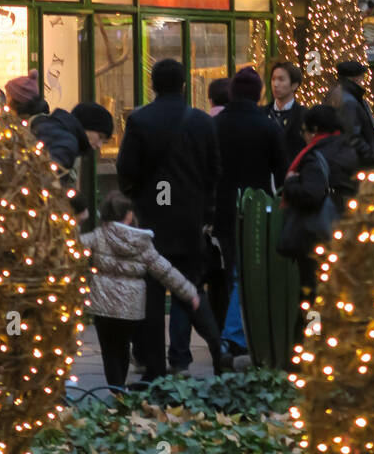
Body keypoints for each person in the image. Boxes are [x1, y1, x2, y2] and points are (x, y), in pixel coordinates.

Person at [116, 58, 222, 380]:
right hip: (188, 222)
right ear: (184, 85)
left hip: (152, 222)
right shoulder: (202, 122)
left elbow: (126, 171)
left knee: (148, 296)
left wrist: (142, 196)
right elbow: (214, 171)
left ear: (152, 86)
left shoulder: (139, 121)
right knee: (188, 289)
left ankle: (153, 366)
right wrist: (205, 211)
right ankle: (212, 353)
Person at [79, 192, 202, 390]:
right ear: (128, 215)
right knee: (122, 347)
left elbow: (71, 247)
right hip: (130, 307)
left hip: (103, 305)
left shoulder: (97, 236)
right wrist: (189, 292)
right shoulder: (142, 242)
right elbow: (165, 271)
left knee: (109, 350)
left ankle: (116, 387)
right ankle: (120, 389)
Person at [212, 65, 288, 336]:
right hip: (255, 205)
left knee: (227, 269)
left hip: (221, 205)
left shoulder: (215, 125)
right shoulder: (267, 126)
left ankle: (226, 331)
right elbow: (281, 173)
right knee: (248, 269)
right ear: (257, 94)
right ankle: (237, 332)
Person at [279, 103, 357, 316]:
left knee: (312, 294)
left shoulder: (315, 156)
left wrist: (291, 183)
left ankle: (312, 341)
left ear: (313, 130)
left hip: (317, 235)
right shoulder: (348, 150)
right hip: (344, 229)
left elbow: (310, 194)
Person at [29, 100, 114, 216]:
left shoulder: (59, 131)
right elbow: (50, 178)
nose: (99, 145)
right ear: (86, 127)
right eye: (100, 137)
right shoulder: (67, 142)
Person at [327, 59, 374, 169]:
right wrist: (371, 156)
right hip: (358, 164)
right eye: (362, 77)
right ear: (356, 78)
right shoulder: (349, 101)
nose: (363, 80)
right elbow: (352, 136)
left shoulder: (337, 94)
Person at [264, 58, 307, 164]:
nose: (275, 84)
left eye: (281, 79)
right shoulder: (263, 113)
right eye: (273, 79)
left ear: (294, 85)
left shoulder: (303, 115)